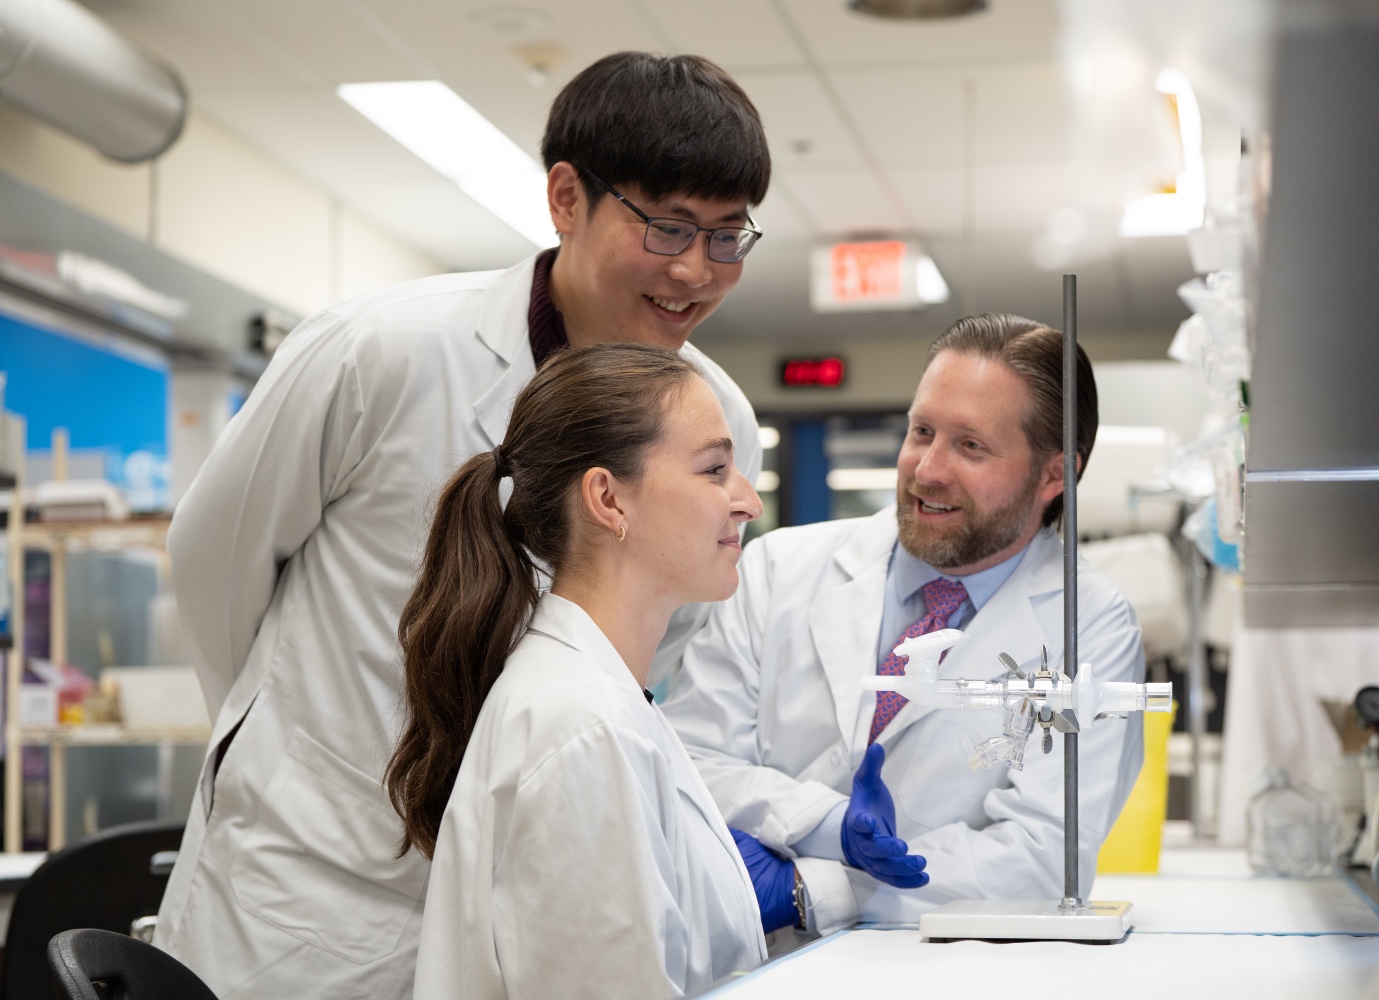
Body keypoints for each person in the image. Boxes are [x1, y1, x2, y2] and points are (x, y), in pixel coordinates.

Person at [156, 52, 771, 998]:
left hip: (522, 893)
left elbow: (649, 652)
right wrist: (285, 761)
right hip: (311, 890)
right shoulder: (378, 351)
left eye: (728, 236)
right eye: (667, 226)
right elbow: (212, 564)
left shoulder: (713, 420)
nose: (696, 270)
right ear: (568, 197)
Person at [662, 313, 1147, 934]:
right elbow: (689, 765)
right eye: (922, 431)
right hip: (746, 952)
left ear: (1055, 474)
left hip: (942, 972)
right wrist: (826, 821)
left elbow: (1038, 857)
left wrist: (812, 887)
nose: (928, 470)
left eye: (971, 446)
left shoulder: (1091, 628)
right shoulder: (778, 568)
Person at [392, 345, 766, 999]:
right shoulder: (584, 724)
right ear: (608, 499)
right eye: (715, 470)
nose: (748, 502)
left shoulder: (600, 700)